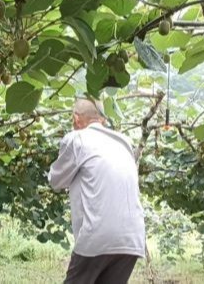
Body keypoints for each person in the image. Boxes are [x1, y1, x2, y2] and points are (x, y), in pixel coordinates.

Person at [48, 98, 145, 284]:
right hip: (131, 238)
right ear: (103, 120)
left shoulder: (77, 138)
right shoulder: (124, 142)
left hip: (98, 236)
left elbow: (56, 181)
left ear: (76, 119)